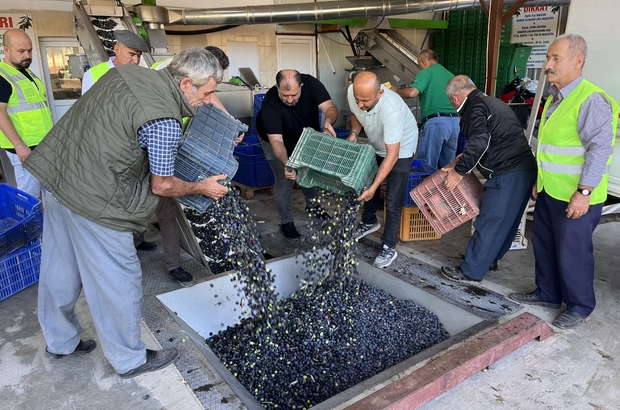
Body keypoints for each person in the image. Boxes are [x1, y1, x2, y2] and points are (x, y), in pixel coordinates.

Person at [24, 48, 229, 378]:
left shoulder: (129, 73)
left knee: (59, 266)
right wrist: (201, 187)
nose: (207, 102)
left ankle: (60, 341)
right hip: (95, 198)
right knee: (119, 279)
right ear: (188, 83)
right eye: (207, 94)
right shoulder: (164, 121)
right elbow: (162, 186)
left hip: (57, 174)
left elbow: (120, 127)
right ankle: (129, 359)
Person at [510, 34, 618, 330]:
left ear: (578, 61)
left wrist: (584, 192)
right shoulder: (556, 98)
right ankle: (548, 292)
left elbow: (600, 150)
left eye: (555, 58)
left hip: (576, 196)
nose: (548, 64)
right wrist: (538, 180)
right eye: (548, 57)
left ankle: (580, 305)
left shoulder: (590, 99)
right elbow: (549, 147)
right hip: (549, 191)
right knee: (544, 245)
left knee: (573, 252)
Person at [440, 75, 537, 283]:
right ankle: (487, 259)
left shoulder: (474, 108)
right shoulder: (489, 101)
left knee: (490, 220)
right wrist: (461, 159)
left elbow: (479, 143)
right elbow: (491, 138)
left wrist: (459, 172)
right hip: (524, 168)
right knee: (507, 221)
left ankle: (470, 271)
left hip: (507, 171)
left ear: (455, 98)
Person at [256, 69, 338, 238]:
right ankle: (287, 221)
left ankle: (313, 206)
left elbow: (330, 107)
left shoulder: (312, 85)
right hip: (275, 138)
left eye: (294, 94)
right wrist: (287, 163)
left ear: (301, 85)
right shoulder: (270, 103)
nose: (290, 99)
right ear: (277, 87)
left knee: (308, 169)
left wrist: (328, 121)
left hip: (304, 134)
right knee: (285, 178)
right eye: (285, 95)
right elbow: (277, 141)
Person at [349, 71, 418, 268]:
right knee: (368, 181)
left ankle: (389, 246)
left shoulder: (392, 108)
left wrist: (375, 187)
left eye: (365, 100)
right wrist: (354, 132)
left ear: (379, 93)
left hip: (400, 148)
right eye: (357, 98)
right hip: (377, 142)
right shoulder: (353, 93)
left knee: (392, 199)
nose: (360, 103)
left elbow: (392, 155)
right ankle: (369, 221)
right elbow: (355, 112)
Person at [0, 29, 53, 198]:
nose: (27, 55)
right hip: (24, 149)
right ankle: (28, 225)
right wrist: (19, 146)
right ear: (6, 50)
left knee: (49, 192)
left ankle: (49, 225)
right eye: (21, 51)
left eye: (29, 50)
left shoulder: (27, 73)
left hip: (41, 145)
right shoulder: (3, 76)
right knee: (28, 196)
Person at [391, 49, 459, 170]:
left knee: (427, 164)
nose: (420, 68)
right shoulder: (451, 75)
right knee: (447, 167)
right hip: (455, 123)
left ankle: (425, 188)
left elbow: (412, 93)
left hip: (437, 123)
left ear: (423, 62)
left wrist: (396, 90)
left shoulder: (426, 72)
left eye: (419, 65)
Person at [81, 30, 149, 93]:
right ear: (117, 50)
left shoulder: (143, 76)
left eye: (139, 56)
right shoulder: (92, 75)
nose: (136, 61)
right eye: (131, 54)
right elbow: (86, 105)